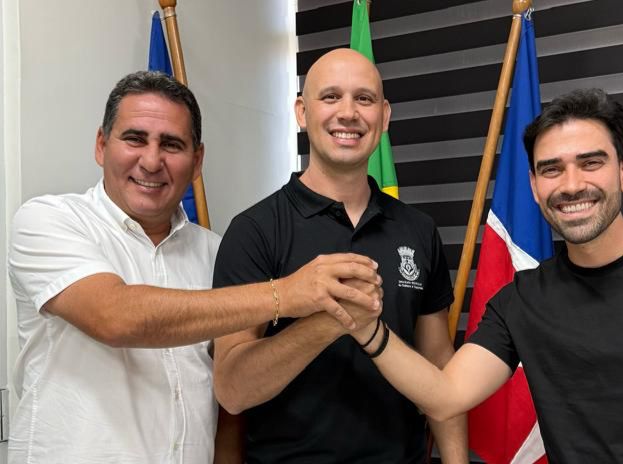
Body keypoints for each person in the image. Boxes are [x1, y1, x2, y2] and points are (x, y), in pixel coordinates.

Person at [7, 70, 381, 464]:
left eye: (172, 144)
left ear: (197, 160)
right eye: (135, 139)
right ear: (102, 145)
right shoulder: (47, 221)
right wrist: (286, 293)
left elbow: (228, 404)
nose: (152, 161)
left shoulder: (216, 252)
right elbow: (114, 316)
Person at [354, 88, 623, 462]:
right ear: (533, 185)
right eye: (551, 169)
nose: (572, 185)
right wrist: (367, 327)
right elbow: (447, 395)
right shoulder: (521, 300)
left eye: (591, 163)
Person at [212, 48, 468, 464]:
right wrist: (330, 321)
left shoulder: (418, 230)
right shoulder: (254, 231)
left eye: (364, 99)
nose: (348, 113)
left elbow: (439, 363)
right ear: (302, 112)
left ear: (384, 116)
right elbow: (232, 390)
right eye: (330, 97)